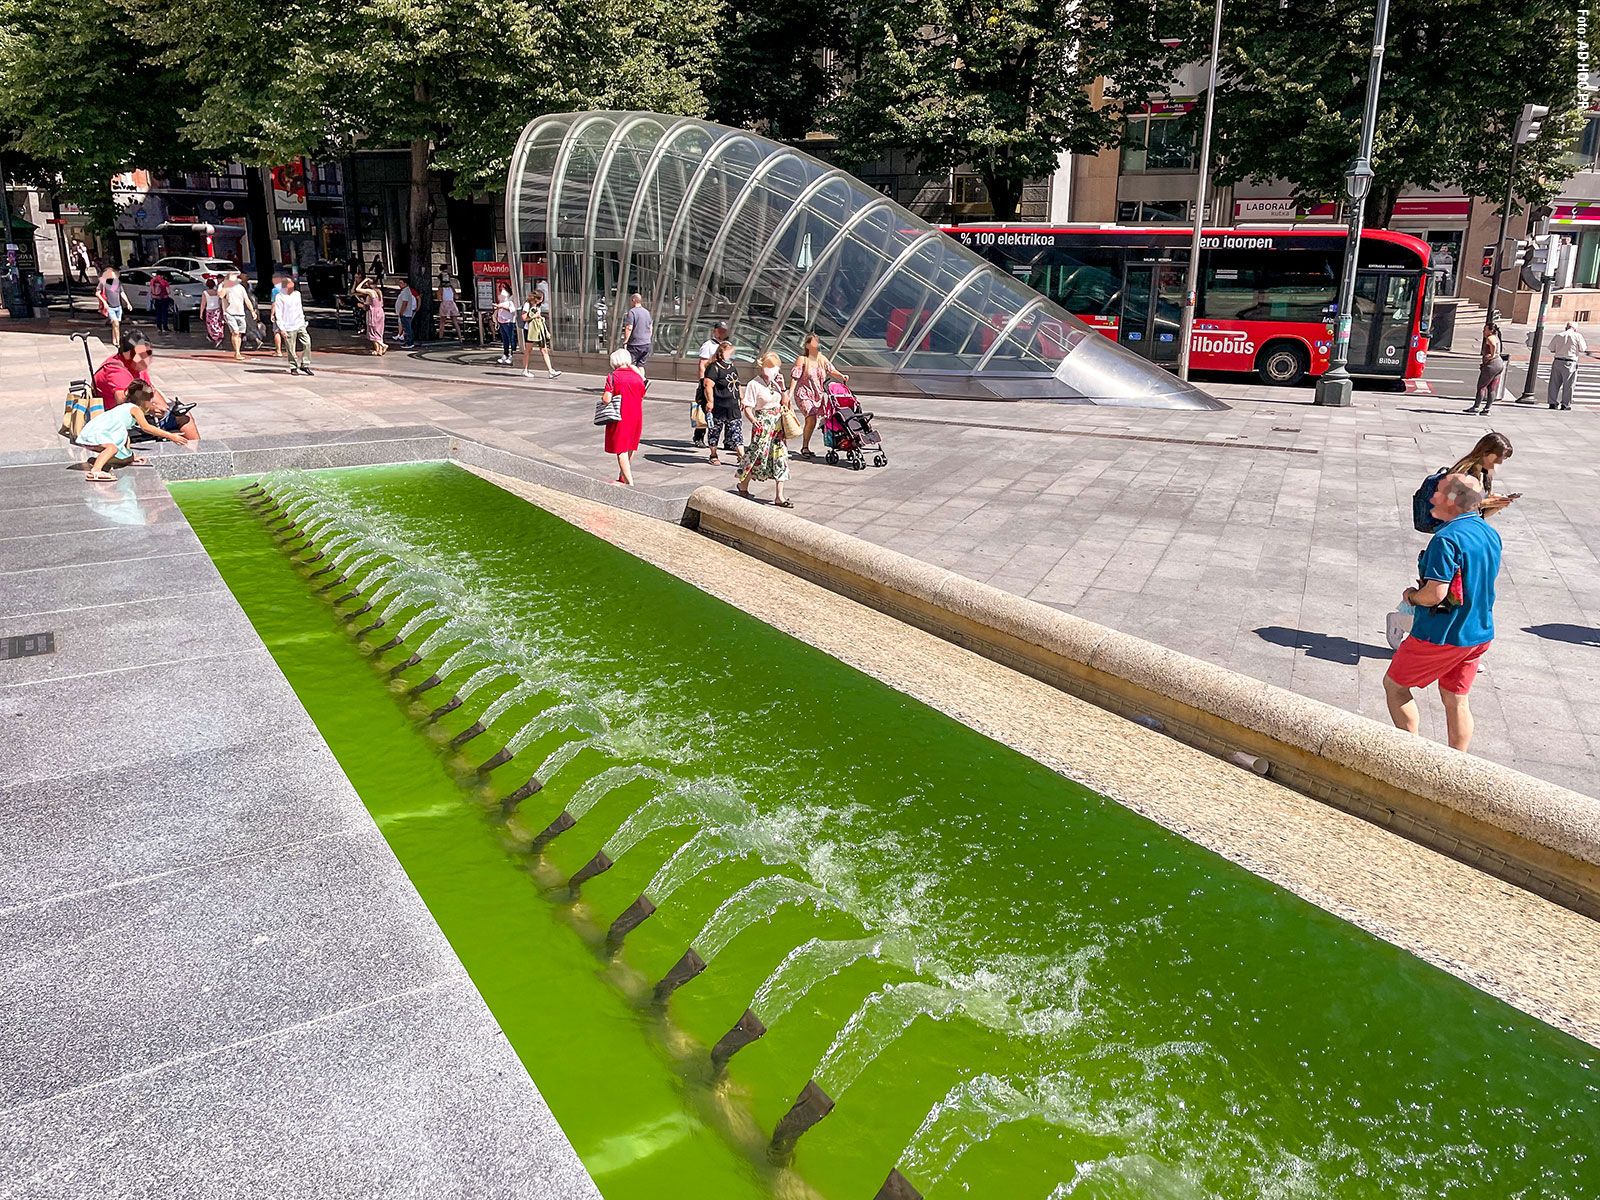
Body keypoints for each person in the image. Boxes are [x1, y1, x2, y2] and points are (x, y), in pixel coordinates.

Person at [1384, 473, 1502, 752]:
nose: (1431, 497)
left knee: (1395, 686)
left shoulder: (1446, 540)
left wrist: (1412, 597)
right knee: (1455, 697)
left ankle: (1412, 755)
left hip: (1442, 634)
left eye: (1437, 492)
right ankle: (1456, 764)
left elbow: (1435, 594)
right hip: (1478, 633)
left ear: (1452, 501)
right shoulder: (1488, 532)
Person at [92, 331, 200, 443]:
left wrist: (163, 409)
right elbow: (122, 402)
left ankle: (200, 452)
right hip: (124, 423)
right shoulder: (117, 371)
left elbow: (150, 390)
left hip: (139, 417)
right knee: (183, 418)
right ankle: (199, 453)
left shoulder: (136, 365)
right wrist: (150, 409)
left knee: (182, 414)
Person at [75, 380, 190, 481]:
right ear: (144, 401)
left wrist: (131, 457)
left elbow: (124, 436)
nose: (152, 404)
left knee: (125, 455)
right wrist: (171, 436)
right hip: (96, 434)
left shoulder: (126, 406)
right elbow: (147, 427)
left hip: (94, 432)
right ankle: (95, 471)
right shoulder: (135, 409)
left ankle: (97, 461)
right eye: (151, 400)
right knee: (112, 448)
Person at [736, 351, 792, 507]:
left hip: (777, 424)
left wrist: (782, 387)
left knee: (781, 458)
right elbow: (747, 407)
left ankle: (779, 496)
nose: (774, 370)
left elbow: (786, 403)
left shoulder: (776, 383)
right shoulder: (754, 384)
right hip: (762, 423)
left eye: (776, 367)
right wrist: (753, 420)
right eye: (771, 366)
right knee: (756, 456)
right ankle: (743, 485)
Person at [789, 333, 849, 459]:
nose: (815, 345)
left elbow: (831, 370)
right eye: (812, 343)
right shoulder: (802, 359)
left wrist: (842, 376)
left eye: (816, 342)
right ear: (807, 345)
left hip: (818, 394)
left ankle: (809, 445)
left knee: (815, 420)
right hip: (804, 393)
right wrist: (789, 393)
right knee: (810, 417)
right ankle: (805, 447)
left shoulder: (822, 359)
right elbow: (795, 377)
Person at [601, 347, 646, 485]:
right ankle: (622, 476)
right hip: (636, 415)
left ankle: (630, 482)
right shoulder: (638, 377)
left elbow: (607, 399)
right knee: (631, 446)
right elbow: (642, 394)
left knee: (621, 450)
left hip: (620, 416)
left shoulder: (613, 377)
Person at [1447, 432, 1518, 517]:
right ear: (1485, 453)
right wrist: (1485, 503)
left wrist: (1498, 505)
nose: (1500, 462)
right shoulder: (1462, 473)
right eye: (1498, 457)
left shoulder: (1486, 474)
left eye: (1504, 458)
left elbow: (1481, 514)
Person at [703, 339, 743, 465]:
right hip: (719, 406)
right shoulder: (714, 368)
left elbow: (737, 383)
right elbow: (708, 385)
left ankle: (742, 456)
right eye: (730, 353)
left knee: (736, 431)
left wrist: (741, 397)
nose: (732, 355)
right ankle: (713, 454)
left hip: (733, 406)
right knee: (715, 431)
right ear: (722, 353)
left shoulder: (732, 367)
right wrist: (710, 402)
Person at [692, 320, 729, 446]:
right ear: (715, 331)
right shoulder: (708, 345)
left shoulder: (727, 345)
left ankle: (728, 440)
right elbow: (702, 364)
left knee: (723, 409)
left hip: (722, 381)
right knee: (705, 408)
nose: (723, 332)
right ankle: (699, 436)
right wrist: (702, 381)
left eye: (725, 330)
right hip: (709, 379)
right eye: (721, 330)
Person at [272, 275, 313, 376]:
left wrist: (303, 321)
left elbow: (299, 309)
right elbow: (279, 313)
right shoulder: (280, 297)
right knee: (290, 347)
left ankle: (305, 364)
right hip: (288, 325)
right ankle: (293, 366)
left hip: (299, 324)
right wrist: (282, 328)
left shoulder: (297, 294)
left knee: (307, 342)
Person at [1546, 322, 1588, 411]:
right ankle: (1565, 404)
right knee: (1569, 384)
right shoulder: (1577, 336)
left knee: (1554, 383)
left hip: (1557, 360)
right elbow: (1583, 349)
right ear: (1575, 329)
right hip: (1570, 362)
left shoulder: (1558, 335)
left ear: (1566, 327)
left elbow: (1551, 348)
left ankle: (1552, 403)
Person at [1468, 317, 1504, 415]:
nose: (1483, 331)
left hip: (1492, 364)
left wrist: (1491, 355)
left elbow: (1492, 345)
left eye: (1485, 329)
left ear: (1490, 330)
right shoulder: (1497, 337)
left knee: (1482, 386)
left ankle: (1476, 407)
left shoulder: (1490, 338)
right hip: (1499, 364)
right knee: (1492, 388)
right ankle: (1487, 409)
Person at [520, 292, 560, 378]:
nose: (541, 300)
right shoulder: (527, 305)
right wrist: (534, 316)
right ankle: (525, 369)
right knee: (528, 350)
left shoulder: (538, 306)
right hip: (530, 330)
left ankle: (551, 371)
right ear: (536, 298)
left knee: (544, 349)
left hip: (538, 329)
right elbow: (523, 318)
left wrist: (541, 319)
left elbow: (538, 316)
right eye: (540, 298)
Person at [220, 271, 257, 361]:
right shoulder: (225, 287)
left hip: (240, 313)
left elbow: (246, 299)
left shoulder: (240, 288)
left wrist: (252, 311)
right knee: (235, 332)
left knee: (240, 333)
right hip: (229, 313)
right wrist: (226, 285)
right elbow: (221, 295)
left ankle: (238, 351)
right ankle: (237, 352)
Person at [353, 276, 388, 355]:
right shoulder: (379, 291)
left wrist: (364, 280)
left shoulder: (371, 292)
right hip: (380, 312)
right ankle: (379, 350)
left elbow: (357, 289)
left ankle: (382, 345)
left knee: (373, 331)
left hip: (373, 313)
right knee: (379, 331)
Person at [97, 269, 128, 347]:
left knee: (116, 325)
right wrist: (104, 303)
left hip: (118, 307)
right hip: (110, 307)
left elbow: (122, 293)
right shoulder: (103, 283)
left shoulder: (117, 283)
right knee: (116, 324)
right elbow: (97, 293)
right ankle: (118, 342)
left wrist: (128, 303)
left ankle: (114, 340)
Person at [622, 292, 652, 369]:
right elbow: (650, 327)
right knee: (641, 365)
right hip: (646, 343)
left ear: (634, 300)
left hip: (635, 344)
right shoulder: (647, 312)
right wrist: (647, 338)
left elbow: (629, 327)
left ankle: (640, 379)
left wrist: (625, 341)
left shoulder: (632, 312)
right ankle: (643, 380)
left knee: (630, 364)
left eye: (631, 301)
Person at [199, 277, 226, 348]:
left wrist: (201, 313)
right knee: (218, 323)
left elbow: (203, 304)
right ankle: (220, 335)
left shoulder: (205, 293)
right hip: (217, 310)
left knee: (211, 325)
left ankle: (216, 337)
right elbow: (220, 302)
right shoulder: (217, 292)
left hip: (209, 310)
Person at [437, 271, 463, 339]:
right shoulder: (451, 288)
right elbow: (456, 296)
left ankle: (440, 337)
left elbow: (439, 298)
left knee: (442, 322)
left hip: (444, 304)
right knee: (455, 322)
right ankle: (460, 337)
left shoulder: (440, 288)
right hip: (452, 304)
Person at [394, 280, 419, 347]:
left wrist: (401, 312)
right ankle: (408, 341)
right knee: (407, 328)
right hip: (406, 313)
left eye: (401, 283)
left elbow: (405, 302)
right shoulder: (405, 291)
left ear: (405, 284)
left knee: (407, 328)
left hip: (405, 313)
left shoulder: (406, 291)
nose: (399, 284)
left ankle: (409, 342)